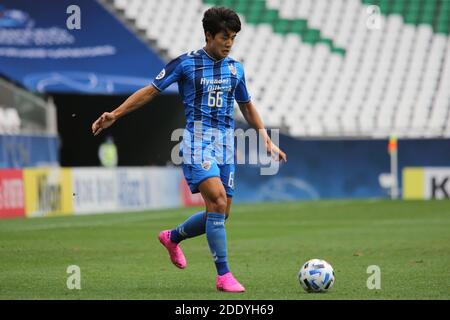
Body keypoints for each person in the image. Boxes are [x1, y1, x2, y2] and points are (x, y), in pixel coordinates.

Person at [91, 6, 287, 293]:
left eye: (233, 38)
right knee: (218, 202)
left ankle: (173, 237)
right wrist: (115, 114)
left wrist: (265, 138)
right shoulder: (185, 64)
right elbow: (150, 90)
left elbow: (245, 104)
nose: (229, 43)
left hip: (225, 145)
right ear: (209, 35)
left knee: (221, 213)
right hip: (197, 142)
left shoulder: (236, 68)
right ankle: (224, 276)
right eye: (224, 37)